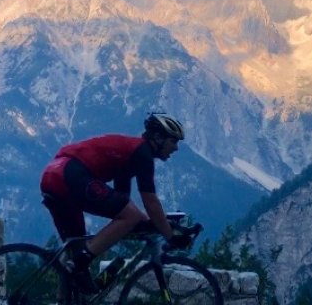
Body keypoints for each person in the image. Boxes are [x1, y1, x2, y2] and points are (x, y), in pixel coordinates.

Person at [39, 112, 195, 294]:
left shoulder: (129, 155)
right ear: (158, 138)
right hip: (71, 174)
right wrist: (170, 235)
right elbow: (150, 201)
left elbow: (121, 202)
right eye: (174, 141)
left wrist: (147, 223)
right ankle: (82, 260)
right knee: (83, 258)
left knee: (76, 252)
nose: (176, 148)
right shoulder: (143, 154)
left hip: (53, 174)